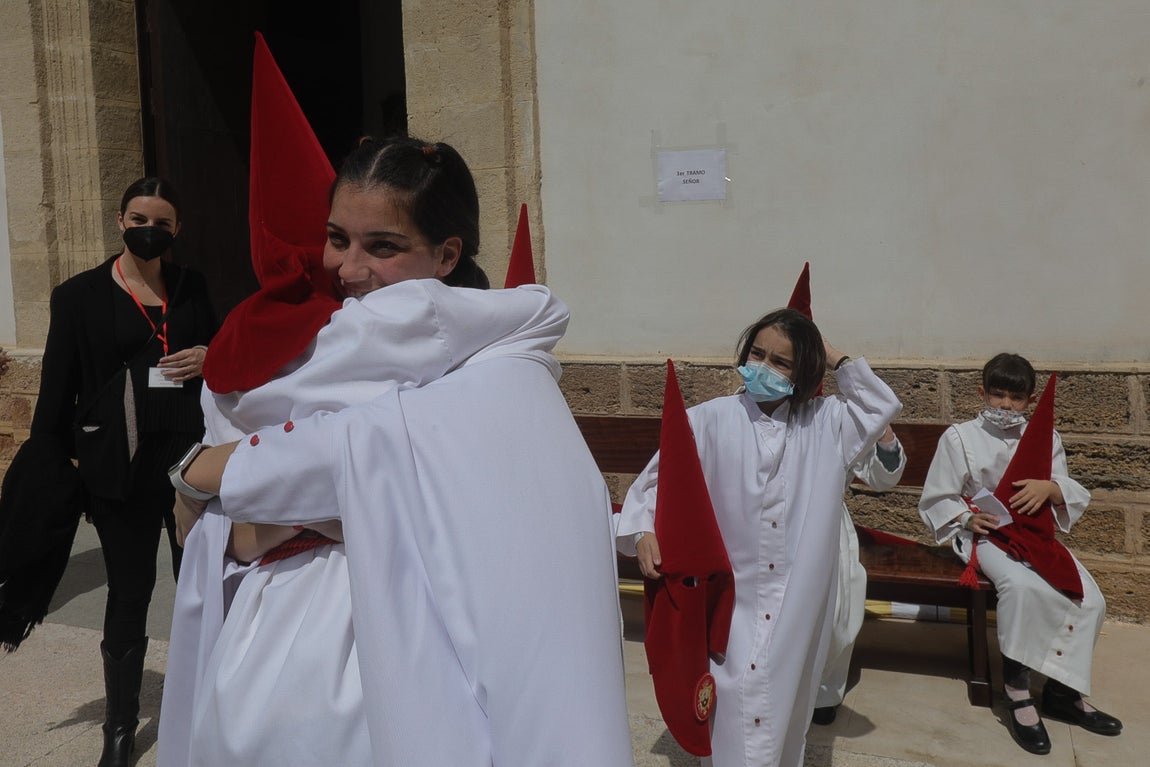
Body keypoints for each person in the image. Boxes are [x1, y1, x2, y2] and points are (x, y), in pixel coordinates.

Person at [161, 137, 636, 767]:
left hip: (410, 656)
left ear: (446, 255)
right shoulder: (295, 353)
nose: (349, 268)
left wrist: (219, 472)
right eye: (337, 238)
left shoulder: (500, 371)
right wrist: (265, 502)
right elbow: (237, 532)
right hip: (263, 639)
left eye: (382, 246)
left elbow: (506, 528)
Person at [616, 308, 902, 767]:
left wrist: (831, 353)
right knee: (730, 700)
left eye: (781, 362)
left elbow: (880, 406)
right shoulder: (708, 419)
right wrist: (644, 528)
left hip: (797, 594)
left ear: (805, 371)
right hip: (730, 589)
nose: (763, 367)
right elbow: (656, 483)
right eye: (757, 353)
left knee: (785, 704)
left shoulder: (827, 422)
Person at [27, 176, 216, 767]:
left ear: (177, 229)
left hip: (190, 463)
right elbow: (58, 388)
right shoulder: (78, 295)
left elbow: (230, 355)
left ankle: (204, 706)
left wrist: (212, 355)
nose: (148, 230)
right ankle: (118, 725)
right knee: (130, 594)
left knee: (200, 591)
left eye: (161, 221)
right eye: (138, 218)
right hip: (120, 469)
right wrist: (52, 468)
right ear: (119, 220)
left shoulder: (194, 287)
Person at [918, 353, 1121, 755]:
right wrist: (964, 518)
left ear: (1029, 400)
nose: (1005, 405)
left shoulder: (1046, 437)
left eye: (1015, 397)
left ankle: (1064, 692)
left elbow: (1065, 484)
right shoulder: (960, 437)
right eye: (997, 395)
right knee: (1023, 589)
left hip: (1033, 536)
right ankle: (1017, 690)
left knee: (1091, 598)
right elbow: (938, 493)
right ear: (982, 392)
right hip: (986, 536)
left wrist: (1052, 490)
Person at [812, 425, 905, 725]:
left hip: (824, 522)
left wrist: (884, 435)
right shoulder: (745, 407)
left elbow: (881, 476)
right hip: (766, 521)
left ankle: (821, 693)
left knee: (835, 609)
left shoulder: (836, 418)